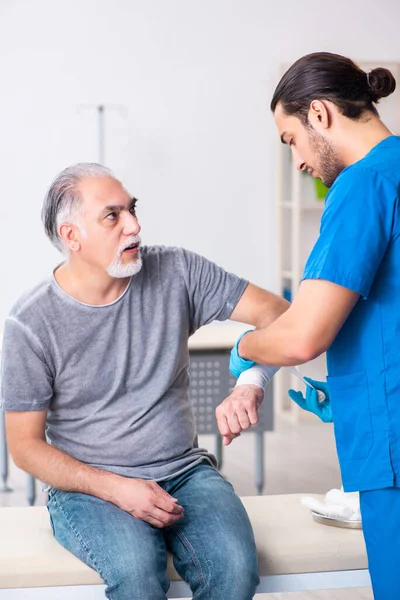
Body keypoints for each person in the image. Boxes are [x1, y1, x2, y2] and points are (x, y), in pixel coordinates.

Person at [1, 163, 289, 600]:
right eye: (112, 216)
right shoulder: (30, 322)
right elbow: (24, 447)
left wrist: (250, 382)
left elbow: (280, 317)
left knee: (233, 570)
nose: (135, 226)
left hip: (185, 471)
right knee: (137, 576)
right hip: (90, 488)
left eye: (132, 209)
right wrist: (116, 488)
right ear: (71, 236)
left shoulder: (178, 271)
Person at [229, 51, 400, 599]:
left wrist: (248, 345)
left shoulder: (361, 186)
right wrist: (355, 388)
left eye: (291, 140)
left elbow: (303, 334)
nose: (297, 161)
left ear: (320, 115)